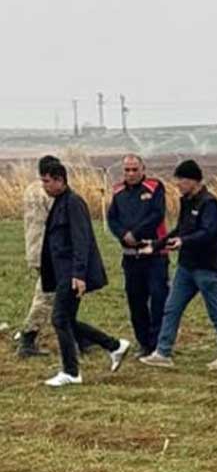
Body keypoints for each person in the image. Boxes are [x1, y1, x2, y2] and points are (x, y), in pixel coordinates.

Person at [36, 155, 130, 387]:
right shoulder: (59, 202)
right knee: (66, 319)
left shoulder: (73, 203)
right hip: (62, 273)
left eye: (47, 181)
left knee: (59, 319)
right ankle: (114, 345)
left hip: (71, 273)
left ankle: (71, 371)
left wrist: (79, 275)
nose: (44, 186)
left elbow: (82, 241)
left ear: (60, 180)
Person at [140, 160, 217, 370]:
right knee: (171, 308)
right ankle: (163, 352)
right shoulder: (186, 201)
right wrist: (156, 245)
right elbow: (180, 229)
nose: (178, 185)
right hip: (186, 267)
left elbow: (208, 232)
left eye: (181, 181)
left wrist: (184, 241)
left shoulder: (209, 204)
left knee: (216, 312)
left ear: (193, 181)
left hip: (206, 268)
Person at [106, 154, 170, 357]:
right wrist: (123, 234)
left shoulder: (154, 187)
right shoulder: (118, 191)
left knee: (159, 298)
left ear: (143, 169)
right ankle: (144, 343)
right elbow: (112, 218)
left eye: (135, 169)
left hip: (155, 254)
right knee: (136, 301)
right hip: (130, 256)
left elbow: (157, 214)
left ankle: (159, 343)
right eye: (127, 170)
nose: (131, 174)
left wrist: (137, 233)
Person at [16, 169, 54, 357]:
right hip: (47, 252)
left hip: (34, 248)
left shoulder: (31, 189)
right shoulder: (48, 193)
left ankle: (78, 336)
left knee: (60, 295)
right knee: (46, 296)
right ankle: (28, 337)